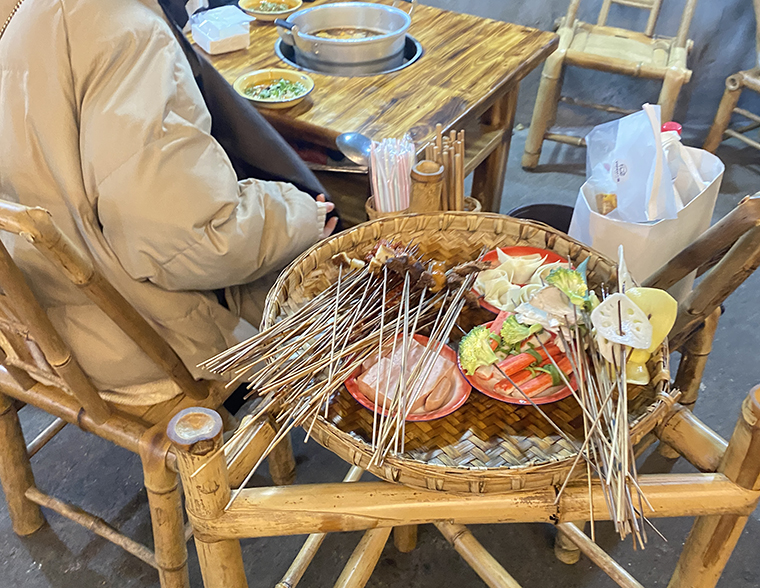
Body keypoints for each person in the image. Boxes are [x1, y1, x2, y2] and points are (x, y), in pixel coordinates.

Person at [0, 0, 338, 406]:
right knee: (341, 253)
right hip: (129, 341)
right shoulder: (121, 29)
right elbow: (186, 240)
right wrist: (301, 215)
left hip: (24, 321)